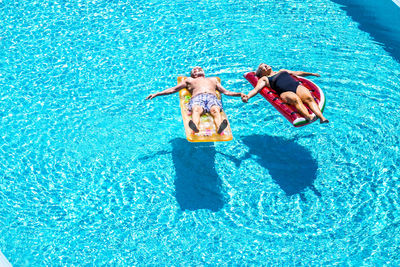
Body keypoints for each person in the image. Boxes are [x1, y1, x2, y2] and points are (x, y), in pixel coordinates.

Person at [146, 67, 244, 133]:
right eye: (195, 69)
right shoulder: (189, 80)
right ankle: (195, 127)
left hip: (212, 97)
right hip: (197, 97)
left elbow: (226, 92)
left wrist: (239, 94)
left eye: (200, 68)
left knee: (215, 110)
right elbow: (173, 89)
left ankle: (219, 127)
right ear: (193, 74)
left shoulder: (213, 80)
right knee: (196, 109)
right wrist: (157, 93)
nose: (198, 69)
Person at [242, 63, 329, 123]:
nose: (266, 67)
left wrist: (312, 74)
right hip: (284, 92)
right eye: (263, 68)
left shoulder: (282, 70)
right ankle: (308, 117)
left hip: (296, 86)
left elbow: (298, 73)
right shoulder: (265, 79)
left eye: (266, 65)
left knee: (309, 98)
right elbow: (256, 89)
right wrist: (248, 96)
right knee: (295, 99)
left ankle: (322, 118)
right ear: (262, 72)